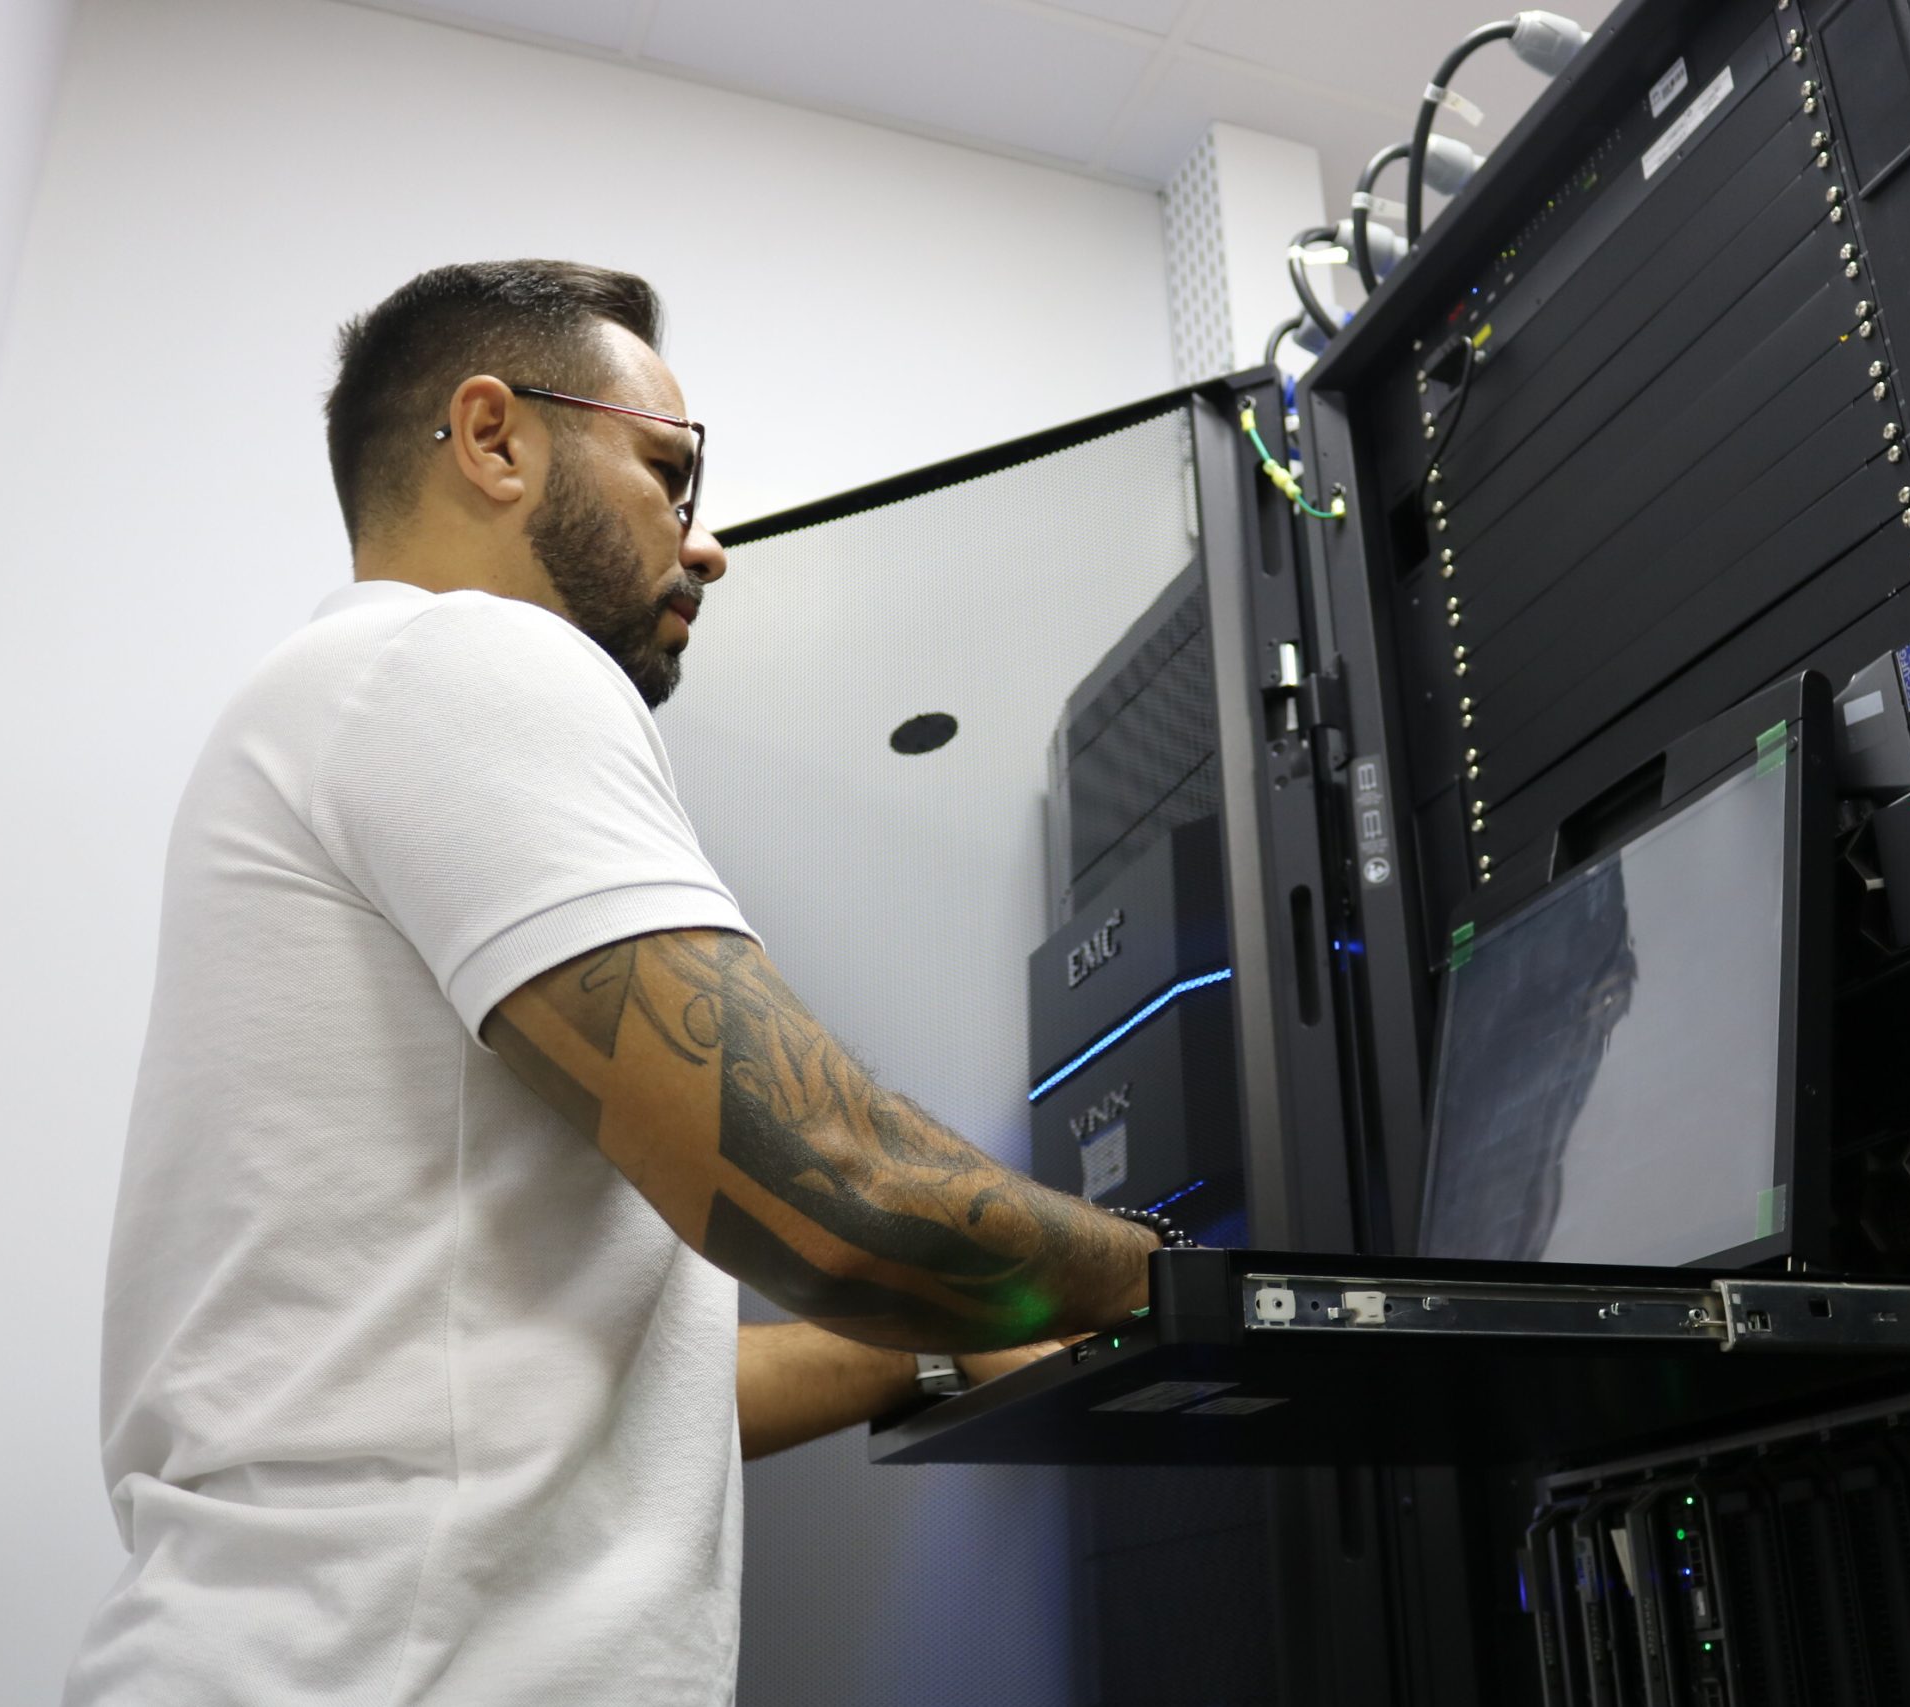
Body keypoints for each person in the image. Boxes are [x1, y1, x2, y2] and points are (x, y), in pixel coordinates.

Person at [62, 260, 1159, 1704]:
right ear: (494, 437)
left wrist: (950, 1345)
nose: (703, 549)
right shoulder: (462, 656)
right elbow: (836, 1185)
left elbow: (616, 1398)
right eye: (669, 474)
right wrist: (1215, 1286)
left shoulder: (345, 706)